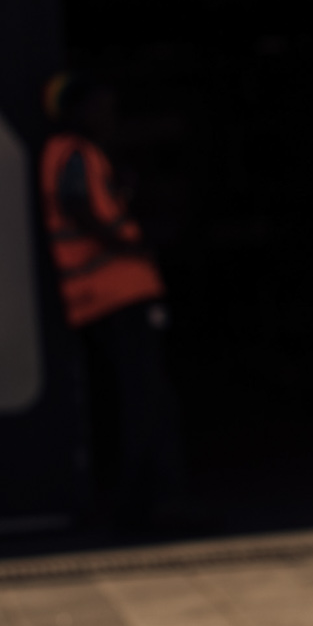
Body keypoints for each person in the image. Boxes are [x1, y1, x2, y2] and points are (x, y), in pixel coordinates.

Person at [40, 70, 186, 528]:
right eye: (101, 108)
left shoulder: (82, 156)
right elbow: (79, 208)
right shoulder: (74, 154)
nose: (109, 118)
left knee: (131, 403)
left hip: (106, 298)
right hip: (112, 296)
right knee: (136, 405)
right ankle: (142, 504)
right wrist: (127, 245)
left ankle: (138, 501)